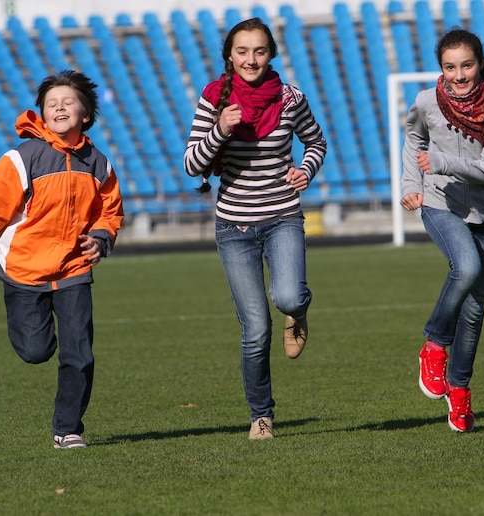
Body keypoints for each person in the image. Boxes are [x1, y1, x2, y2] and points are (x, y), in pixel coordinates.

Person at [0, 70, 124, 449]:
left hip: (74, 270)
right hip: (24, 271)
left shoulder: (99, 163)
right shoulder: (22, 159)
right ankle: (30, 331)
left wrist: (102, 238)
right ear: (42, 114)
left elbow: (110, 210)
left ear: (86, 114)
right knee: (36, 351)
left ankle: (67, 429)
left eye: (68, 101)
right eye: (51, 103)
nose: (59, 107)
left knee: (80, 354)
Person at [183, 18, 327, 440]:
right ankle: (261, 414)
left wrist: (306, 171)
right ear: (230, 55)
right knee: (256, 329)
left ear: (271, 55)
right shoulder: (213, 99)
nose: (251, 59)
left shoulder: (291, 97)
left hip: (283, 214)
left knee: (286, 295)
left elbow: (316, 142)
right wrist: (221, 130)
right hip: (234, 226)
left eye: (260, 51)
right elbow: (192, 164)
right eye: (242, 51)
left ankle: (298, 310)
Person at [401, 29, 484, 432]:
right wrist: (410, 186)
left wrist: (440, 160)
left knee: (474, 309)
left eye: (466, 65)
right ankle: (433, 345)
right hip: (441, 205)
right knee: (465, 269)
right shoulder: (425, 101)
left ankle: (460, 390)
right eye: (450, 67)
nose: (458, 75)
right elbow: (413, 138)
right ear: (441, 68)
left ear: (480, 63)